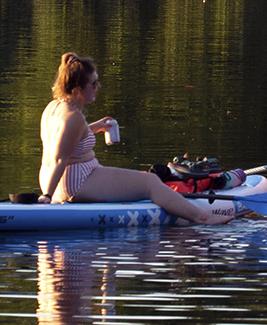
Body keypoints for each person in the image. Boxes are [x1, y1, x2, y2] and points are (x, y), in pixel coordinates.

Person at [39, 52, 229, 225]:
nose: (98, 87)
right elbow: (59, 158)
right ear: (78, 88)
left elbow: (63, 141)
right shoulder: (74, 118)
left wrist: (95, 127)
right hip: (75, 183)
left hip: (58, 183)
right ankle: (203, 217)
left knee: (143, 187)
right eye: (94, 84)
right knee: (151, 182)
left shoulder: (54, 107)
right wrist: (46, 196)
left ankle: (179, 216)